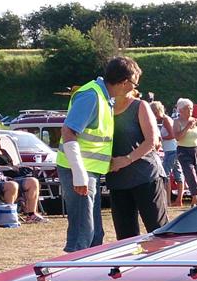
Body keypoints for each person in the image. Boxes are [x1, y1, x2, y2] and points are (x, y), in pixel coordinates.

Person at [57, 56, 140, 252]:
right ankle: (74, 278)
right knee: (82, 234)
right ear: (124, 82)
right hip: (79, 172)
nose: (134, 89)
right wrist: (79, 173)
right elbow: (68, 131)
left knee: (94, 234)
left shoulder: (102, 97)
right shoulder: (91, 95)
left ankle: (87, 278)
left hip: (87, 172)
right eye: (134, 83)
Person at [108, 82, 168, 240]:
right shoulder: (105, 109)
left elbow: (152, 141)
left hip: (146, 177)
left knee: (158, 233)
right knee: (125, 239)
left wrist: (126, 160)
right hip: (117, 181)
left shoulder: (140, 106)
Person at [0, 130, 45, 223]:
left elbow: (11, 163)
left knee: (34, 181)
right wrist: (8, 168)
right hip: (4, 178)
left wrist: (16, 166)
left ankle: (31, 214)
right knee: (14, 184)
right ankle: (9, 215)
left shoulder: (3, 151)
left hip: (15, 176)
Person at [173, 98, 197, 207]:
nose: (191, 111)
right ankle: (196, 199)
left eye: (191, 108)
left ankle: (195, 199)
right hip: (184, 151)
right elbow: (177, 137)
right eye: (188, 109)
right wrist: (187, 127)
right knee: (190, 173)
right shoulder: (177, 122)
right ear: (181, 110)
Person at [151, 101, 178, 206]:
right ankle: (172, 201)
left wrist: (160, 139)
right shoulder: (165, 119)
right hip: (171, 150)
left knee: (165, 175)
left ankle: (167, 201)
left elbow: (172, 135)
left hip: (171, 150)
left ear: (157, 111)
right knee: (177, 176)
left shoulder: (165, 119)